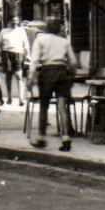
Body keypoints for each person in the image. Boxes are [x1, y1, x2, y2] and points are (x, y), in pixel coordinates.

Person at [26, 18, 79, 151]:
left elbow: (34, 61)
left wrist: (30, 78)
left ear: (47, 28)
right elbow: (73, 62)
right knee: (62, 107)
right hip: (62, 72)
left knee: (44, 106)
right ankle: (66, 138)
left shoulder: (41, 40)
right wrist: (71, 75)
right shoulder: (64, 42)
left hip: (47, 72)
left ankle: (41, 138)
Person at [0, 18, 29, 105]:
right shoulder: (4, 31)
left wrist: (28, 55)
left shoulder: (21, 31)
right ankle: (9, 97)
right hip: (6, 54)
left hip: (18, 53)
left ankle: (21, 99)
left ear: (18, 22)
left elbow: (26, 44)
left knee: (19, 75)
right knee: (8, 76)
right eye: (12, 21)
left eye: (16, 21)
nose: (14, 23)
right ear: (9, 22)